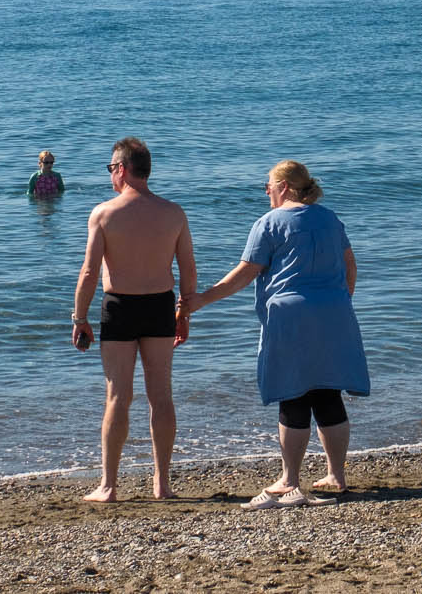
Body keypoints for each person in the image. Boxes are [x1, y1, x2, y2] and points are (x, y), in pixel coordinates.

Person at [187, 159, 369, 508]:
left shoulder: (269, 223)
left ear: (283, 187)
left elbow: (243, 275)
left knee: (294, 393)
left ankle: (289, 479)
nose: (266, 191)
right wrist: (339, 299)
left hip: (290, 315)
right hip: (335, 312)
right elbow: (350, 265)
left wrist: (200, 301)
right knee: (328, 393)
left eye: (267, 185)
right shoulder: (330, 219)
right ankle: (337, 475)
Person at [70, 137, 196, 502]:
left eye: (111, 168)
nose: (110, 174)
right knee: (161, 396)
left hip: (120, 308)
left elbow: (89, 272)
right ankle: (162, 483)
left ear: (122, 170)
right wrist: (183, 313)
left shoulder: (105, 214)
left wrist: (79, 318)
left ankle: (108, 486)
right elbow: (188, 268)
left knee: (117, 397)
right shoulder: (173, 213)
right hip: (160, 306)